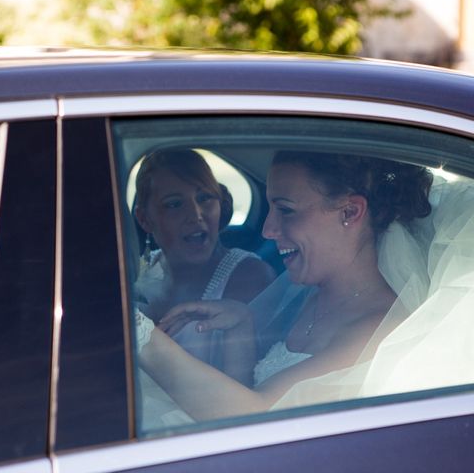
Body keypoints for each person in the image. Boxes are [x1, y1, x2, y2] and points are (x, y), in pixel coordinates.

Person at [137, 151, 433, 421]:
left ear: (349, 212)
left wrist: (141, 335)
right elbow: (243, 395)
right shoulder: (311, 295)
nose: (268, 229)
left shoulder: (381, 329)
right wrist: (241, 323)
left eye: (286, 210)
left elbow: (254, 419)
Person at [134, 147, 275, 385]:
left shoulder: (250, 276)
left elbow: (248, 390)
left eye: (204, 198)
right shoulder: (140, 270)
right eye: (175, 204)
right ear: (145, 219)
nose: (196, 214)